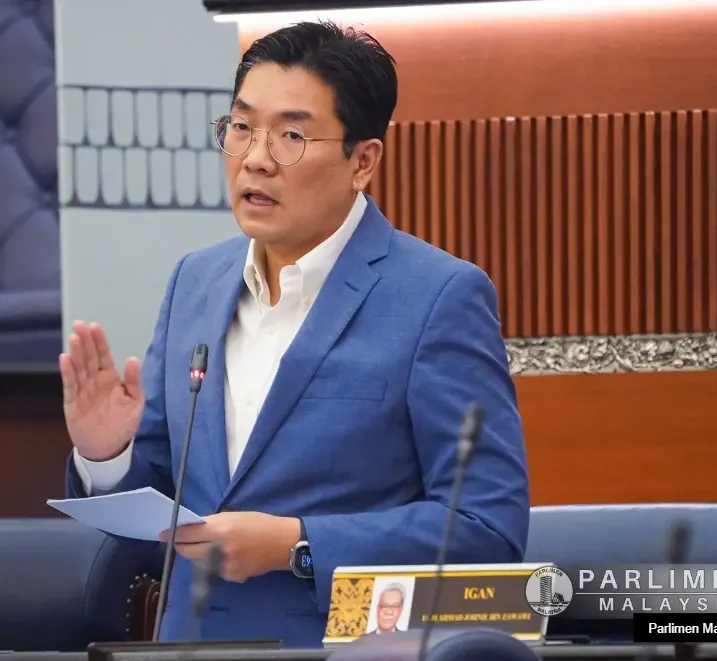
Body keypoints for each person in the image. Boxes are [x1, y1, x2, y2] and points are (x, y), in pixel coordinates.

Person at [61, 20, 529, 647]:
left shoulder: (438, 297)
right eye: (242, 127)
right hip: (186, 647)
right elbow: (162, 506)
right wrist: (107, 456)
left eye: (291, 135)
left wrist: (298, 544)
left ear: (362, 161)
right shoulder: (194, 282)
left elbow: (486, 528)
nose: (256, 158)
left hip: (343, 651)